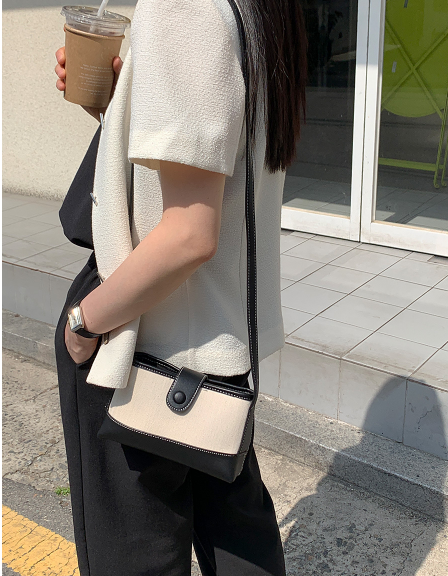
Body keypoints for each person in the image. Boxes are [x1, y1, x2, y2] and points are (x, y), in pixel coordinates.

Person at [54, 0, 307, 574]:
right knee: (239, 540)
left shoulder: (182, 6)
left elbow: (190, 234)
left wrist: (84, 321)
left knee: (133, 555)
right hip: (218, 342)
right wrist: (118, 105)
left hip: (142, 342)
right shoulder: (262, 10)